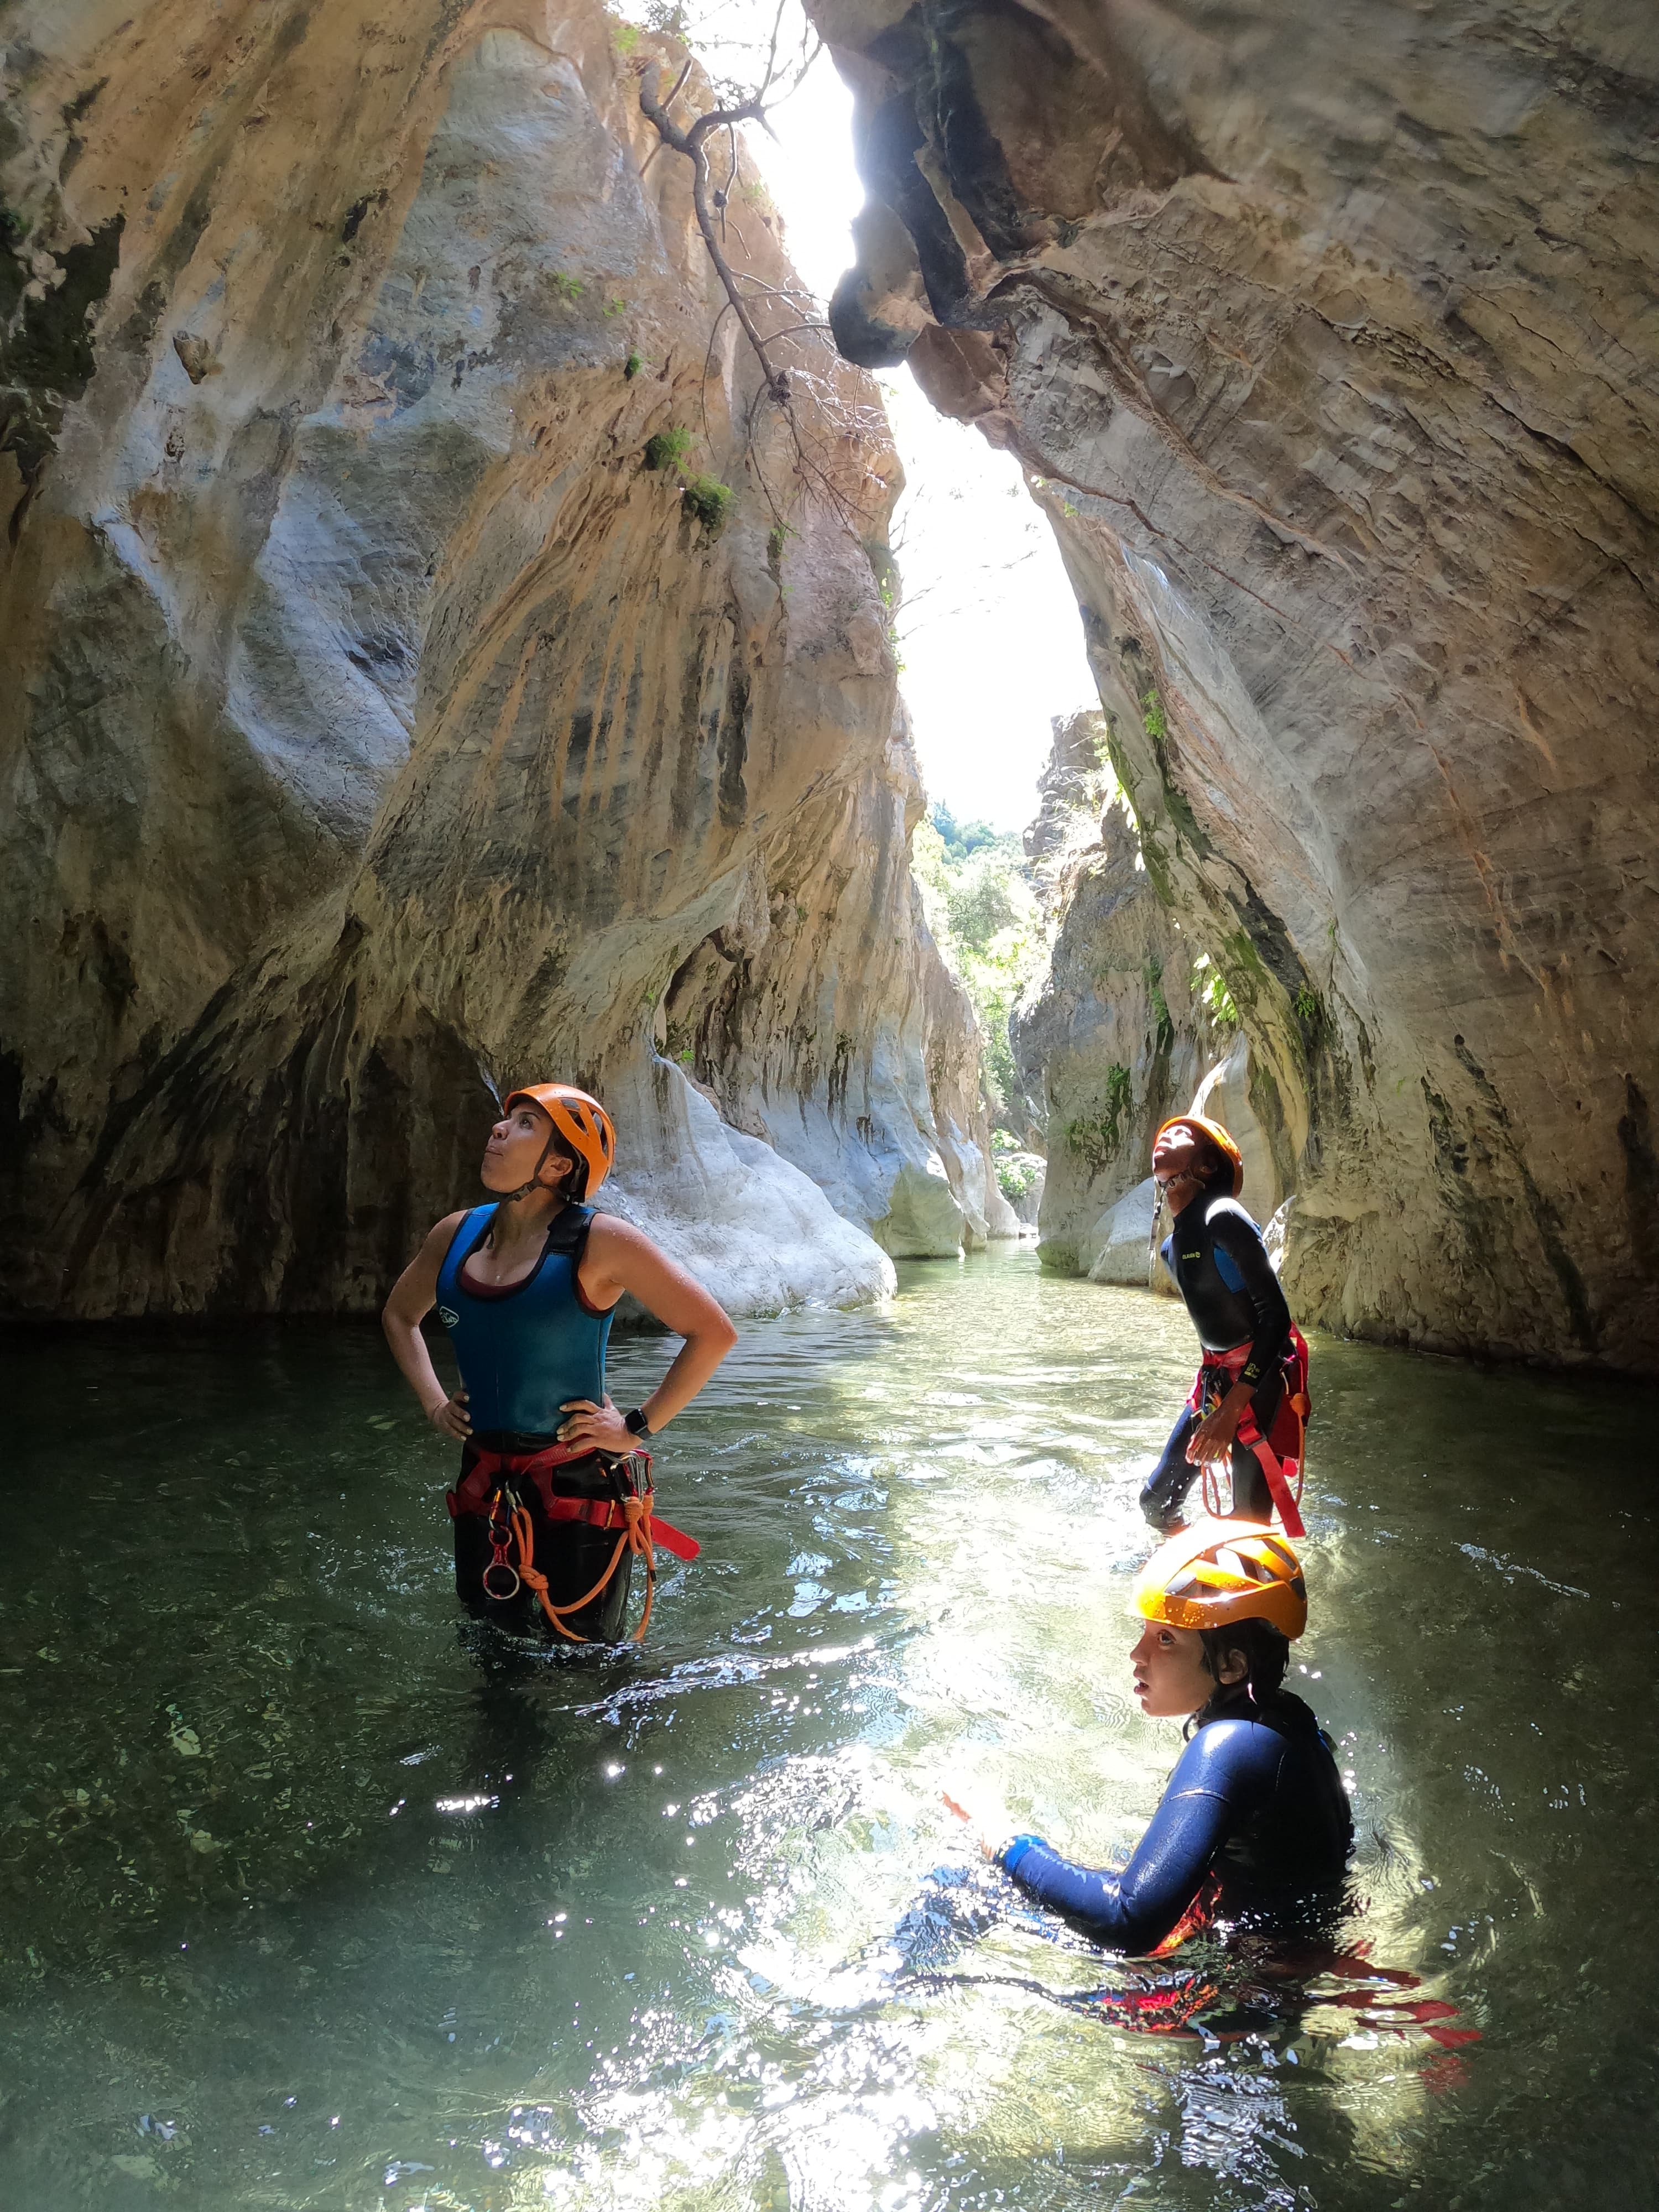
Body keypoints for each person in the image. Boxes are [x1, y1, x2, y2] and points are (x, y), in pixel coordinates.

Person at [382, 1082, 737, 1642]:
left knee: (589, 1671)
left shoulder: (602, 1241)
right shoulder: (455, 1234)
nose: (499, 1128)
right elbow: (400, 1315)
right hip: (483, 1480)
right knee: (491, 1654)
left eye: (525, 1123)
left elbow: (712, 1332)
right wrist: (433, 1403)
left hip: (578, 1483)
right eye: (506, 1120)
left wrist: (634, 1428)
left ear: (558, 1164)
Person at [950, 1519, 1352, 1955]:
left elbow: (1127, 1922)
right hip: (1281, 1953)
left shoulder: (1231, 1746)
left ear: (1232, 1667)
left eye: (1165, 1639)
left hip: (1246, 1991)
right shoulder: (1286, 1721)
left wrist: (1005, 1841)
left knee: (960, 1886)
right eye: (1145, 1631)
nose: (1137, 1656)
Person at [1141, 1114, 1309, 1534]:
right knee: (1156, 1503)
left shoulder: (1224, 1216)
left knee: (1248, 1523)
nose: (1166, 1136)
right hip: (1217, 1379)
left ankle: (1251, 1579)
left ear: (1208, 1165)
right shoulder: (1171, 1247)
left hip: (1263, 1376)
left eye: (1181, 1134)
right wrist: (1216, 1404)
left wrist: (1232, 1411)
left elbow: (1276, 1316)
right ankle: (1192, 1562)